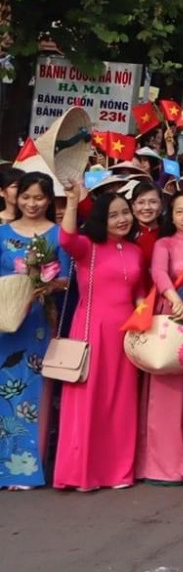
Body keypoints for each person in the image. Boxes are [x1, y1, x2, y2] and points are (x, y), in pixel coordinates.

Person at [52, 177, 146, 492]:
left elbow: (139, 291)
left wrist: (143, 309)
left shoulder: (135, 250)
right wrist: (71, 198)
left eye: (125, 213)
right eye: (113, 215)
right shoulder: (87, 247)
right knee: (88, 402)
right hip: (92, 330)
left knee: (121, 402)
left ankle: (118, 471)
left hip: (125, 334)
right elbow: (66, 240)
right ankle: (81, 473)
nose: (122, 219)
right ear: (100, 219)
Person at [0, 172, 71, 488]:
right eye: (26, 196)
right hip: (6, 323)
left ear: (49, 200)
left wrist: (45, 285)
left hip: (41, 323)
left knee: (34, 393)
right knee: (4, 393)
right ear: (15, 197)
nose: (31, 203)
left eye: (39, 197)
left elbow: (69, 278)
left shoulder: (58, 235)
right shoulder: (2, 233)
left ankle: (27, 469)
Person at [139, 179, 183, 484]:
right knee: (168, 393)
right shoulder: (164, 244)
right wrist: (176, 300)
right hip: (172, 316)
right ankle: (161, 464)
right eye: (179, 211)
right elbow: (158, 273)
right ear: (172, 215)